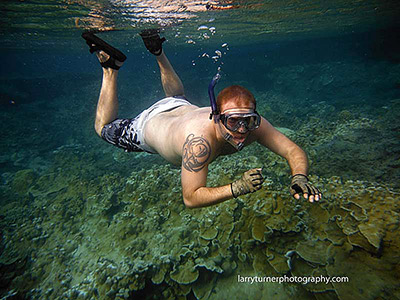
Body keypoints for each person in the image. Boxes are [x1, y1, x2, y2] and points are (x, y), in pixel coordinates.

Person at [82, 29, 322, 208]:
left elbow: (293, 151)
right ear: (216, 116)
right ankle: (110, 67)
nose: (241, 130)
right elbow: (191, 197)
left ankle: (158, 51)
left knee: (176, 95)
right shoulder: (199, 144)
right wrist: (237, 188)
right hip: (149, 125)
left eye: (247, 121)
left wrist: (299, 175)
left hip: (178, 106)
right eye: (232, 121)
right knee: (102, 127)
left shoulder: (253, 126)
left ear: (255, 117)